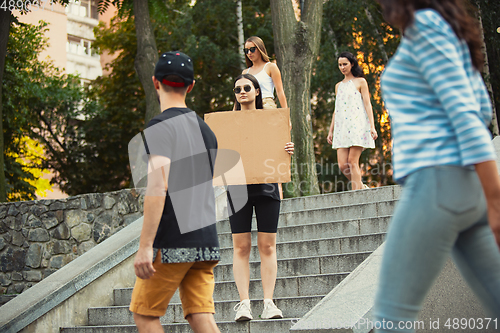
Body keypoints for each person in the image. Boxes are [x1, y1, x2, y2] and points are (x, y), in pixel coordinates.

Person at [372, 0, 500, 331]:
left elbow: (466, 114)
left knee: (391, 317)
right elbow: (481, 106)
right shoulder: (448, 30)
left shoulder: (425, 26)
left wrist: (497, 199)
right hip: (464, 188)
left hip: (437, 181)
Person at [129, 51, 221, 333]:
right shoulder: (207, 131)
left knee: (145, 315)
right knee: (200, 315)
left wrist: (146, 247)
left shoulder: (159, 127)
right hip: (205, 241)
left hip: (172, 242)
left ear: (155, 82)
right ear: (190, 86)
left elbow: (158, 186)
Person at [229, 73, 294, 322]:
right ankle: (244, 303)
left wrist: (287, 149)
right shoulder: (227, 123)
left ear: (257, 91)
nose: (242, 92)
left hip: (267, 187)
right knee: (241, 247)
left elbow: (280, 153)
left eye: (247, 87)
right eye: (237, 89)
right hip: (237, 188)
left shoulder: (272, 119)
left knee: (267, 246)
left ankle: (269, 303)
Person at [327, 51, 377, 191]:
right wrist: (331, 131)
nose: (342, 67)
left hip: (357, 126)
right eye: (340, 65)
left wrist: (372, 126)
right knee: (343, 165)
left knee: (352, 161)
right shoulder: (338, 86)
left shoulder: (361, 82)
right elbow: (337, 109)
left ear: (352, 64)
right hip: (342, 128)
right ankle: (361, 187)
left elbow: (368, 105)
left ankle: (357, 195)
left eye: (345, 64)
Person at [241, 36, 288, 110]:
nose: (249, 53)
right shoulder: (245, 72)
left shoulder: (271, 67)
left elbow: (280, 92)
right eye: (246, 50)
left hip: (266, 105)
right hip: (250, 107)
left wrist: (286, 116)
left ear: (260, 49)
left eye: (252, 49)